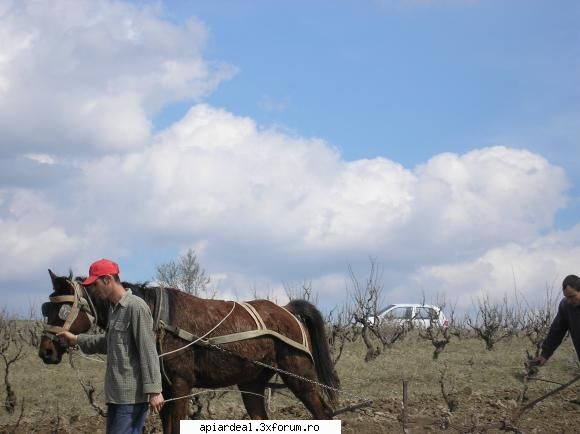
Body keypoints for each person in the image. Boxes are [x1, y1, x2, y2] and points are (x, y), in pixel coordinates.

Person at [57, 259, 164, 434]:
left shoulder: (136, 308)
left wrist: (154, 391)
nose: (93, 290)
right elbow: (107, 343)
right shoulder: (114, 310)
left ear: (108, 280)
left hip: (131, 399)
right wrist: (75, 339)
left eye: (95, 284)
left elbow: (148, 350)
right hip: (115, 397)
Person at [533, 274, 580, 366]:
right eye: (567, 297)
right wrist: (545, 354)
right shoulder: (565, 306)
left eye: (572, 296)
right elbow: (556, 331)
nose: (569, 301)